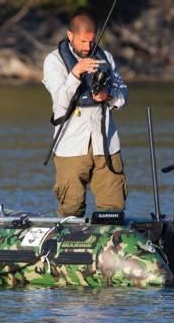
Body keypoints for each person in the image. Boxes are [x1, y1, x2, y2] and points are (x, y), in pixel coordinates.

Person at [42, 12, 128, 217]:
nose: (88, 47)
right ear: (70, 35)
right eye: (83, 41)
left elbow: (123, 93)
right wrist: (76, 73)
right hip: (70, 146)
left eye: (91, 41)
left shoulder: (105, 57)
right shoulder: (53, 61)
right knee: (71, 208)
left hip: (106, 145)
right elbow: (61, 100)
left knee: (113, 208)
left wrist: (109, 96)